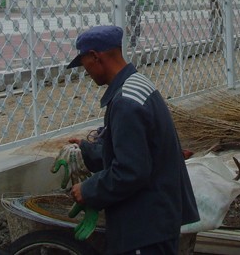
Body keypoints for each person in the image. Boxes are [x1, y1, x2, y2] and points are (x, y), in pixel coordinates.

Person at [66, 24, 199, 255]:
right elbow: (133, 148)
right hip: (157, 220)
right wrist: (86, 150)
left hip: (144, 229)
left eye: (84, 63)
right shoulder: (137, 85)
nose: (85, 71)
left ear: (95, 57)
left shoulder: (125, 102)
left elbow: (130, 171)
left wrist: (88, 190)